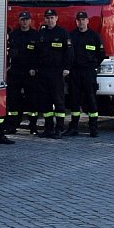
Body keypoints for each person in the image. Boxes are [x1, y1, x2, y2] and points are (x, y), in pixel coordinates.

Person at [64, 11, 105, 138]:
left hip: (89, 72)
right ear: (76, 21)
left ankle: (93, 128)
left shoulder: (94, 36)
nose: (81, 22)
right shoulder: (71, 36)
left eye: (83, 20)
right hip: (75, 72)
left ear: (88, 21)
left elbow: (101, 55)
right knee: (74, 101)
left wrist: (92, 65)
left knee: (91, 100)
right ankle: (74, 127)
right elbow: (67, 54)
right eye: (79, 20)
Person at [36, 9, 73, 139]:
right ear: (44, 19)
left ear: (56, 18)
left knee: (58, 101)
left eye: (52, 18)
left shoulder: (62, 33)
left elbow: (69, 53)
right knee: (45, 102)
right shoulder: (41, 34)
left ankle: (59, 129)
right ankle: (48, 128)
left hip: (57, 73)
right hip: (43, 72)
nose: (50, 20)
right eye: (47, 18)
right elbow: (36, 53)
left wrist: (67, 68)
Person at [6, 11, 40, 135]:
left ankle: (33, 126)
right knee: (13, 100)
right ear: (19, 21)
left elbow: (39, 55)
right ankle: (13, 125)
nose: (24, 22)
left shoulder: (35, 35)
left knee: (32, 100)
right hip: (15, 71)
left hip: (30, 73)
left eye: (26, 19)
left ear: (30, 21)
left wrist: (35, 68)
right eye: (22, 19)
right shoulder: (13, 35)